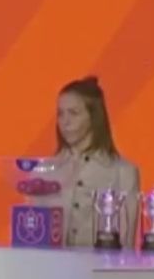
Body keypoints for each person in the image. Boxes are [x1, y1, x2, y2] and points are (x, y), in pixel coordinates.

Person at [30, 76, 140, 248]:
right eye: (60, 114)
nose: (65, 122)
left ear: (93, 117)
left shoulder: (123, 172)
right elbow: (33, 239)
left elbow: (127, 246)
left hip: (101, 265)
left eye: (73, 113)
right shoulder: (43, 171)